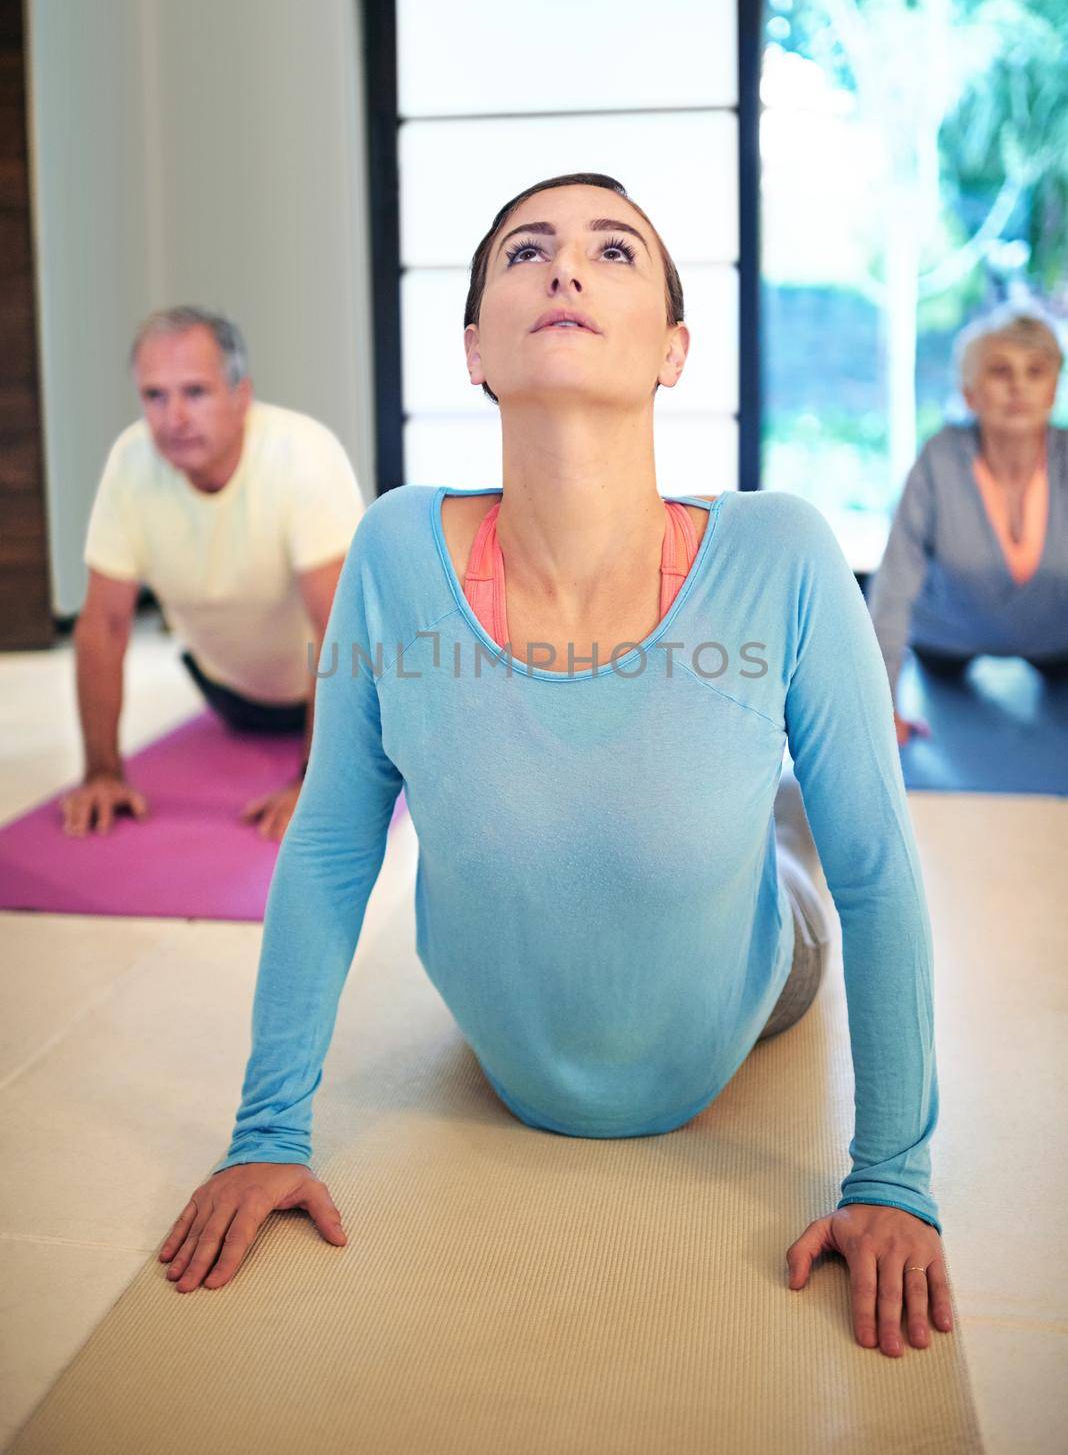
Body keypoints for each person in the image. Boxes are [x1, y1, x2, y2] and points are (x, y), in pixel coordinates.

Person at [160, 175, 953, 1362]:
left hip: (764, 962)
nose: (566, 270)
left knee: (792, 833)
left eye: (614, 252)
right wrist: (265, 1132)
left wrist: (894, 1178)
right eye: (527, 251)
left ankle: (763, 805)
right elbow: (331, 840)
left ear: (675, 349)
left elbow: (878, 867)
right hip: (519, 1034)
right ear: (475, 345)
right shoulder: (391, 548)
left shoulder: (780, 550)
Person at [61, 306, 364, 842]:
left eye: (195, 393)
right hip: (233, 697)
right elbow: (103, 626)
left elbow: (341, 632)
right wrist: (101, 772)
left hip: (348, 696)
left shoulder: (302, 455)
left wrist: (317, 787)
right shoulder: (132, 462)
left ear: (240, 396)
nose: (173, 417)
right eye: (155, 395)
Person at [865, 304, 1068, 746]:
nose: (1019, 387)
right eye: (1000, 371)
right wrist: (881, 710)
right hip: (947, 640)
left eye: (1036, 371)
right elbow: (894, 588)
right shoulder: (939, 459)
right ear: (970, 392)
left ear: (1053, 389)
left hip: (1059, 643)